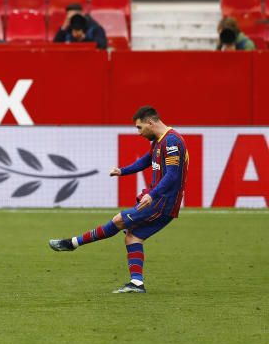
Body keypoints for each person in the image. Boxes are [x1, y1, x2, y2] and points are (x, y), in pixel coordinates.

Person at [48, 106, 188, 293]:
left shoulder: (171, 142)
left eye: (139, 128)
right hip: (159, 200)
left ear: (150, 122)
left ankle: (72, 243)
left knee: (118, 220)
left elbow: (172, 176)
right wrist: (122, 171)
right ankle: (136, 284)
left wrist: (152, 194)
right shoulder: (159, 141)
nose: (138, 133)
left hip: (161, 201)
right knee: (133, 237)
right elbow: (145, 161)